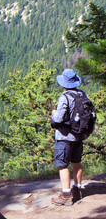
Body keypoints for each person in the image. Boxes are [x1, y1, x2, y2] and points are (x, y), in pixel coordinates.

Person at [51, 69, 86, 206]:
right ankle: (77, 190)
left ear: (64, 83)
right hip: (79, 136)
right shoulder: (82, 94)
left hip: (65, 136)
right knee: (76, 163)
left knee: (63, 165)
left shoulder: (64, 97)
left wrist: (53, 113)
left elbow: (58, 118)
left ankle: (65, 195)